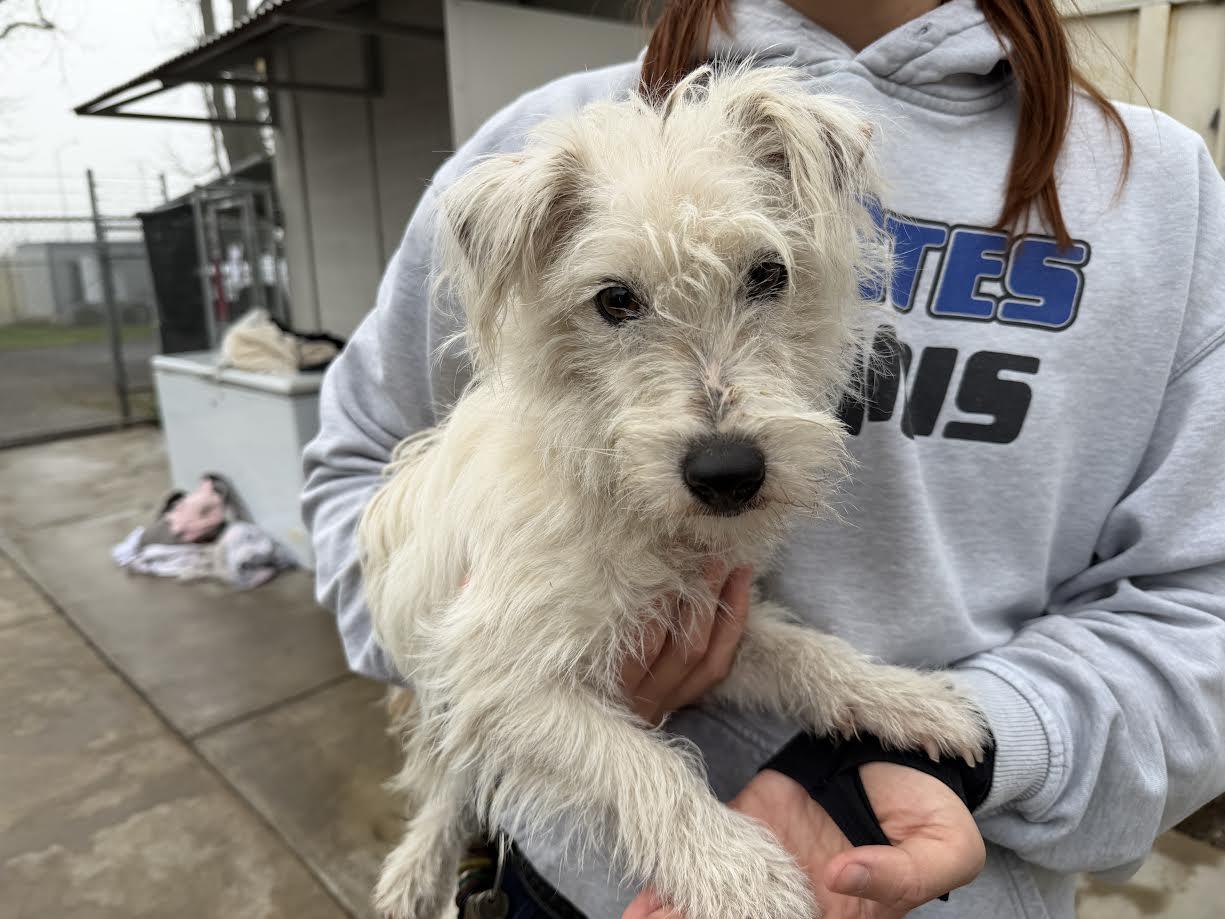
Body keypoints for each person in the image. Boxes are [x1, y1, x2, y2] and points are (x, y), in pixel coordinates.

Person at [301, 0, 1225, 916]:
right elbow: (460, 624)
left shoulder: (1162, 190)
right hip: (566, 887)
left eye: (764, 277)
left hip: (961, 881)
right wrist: (514, 685)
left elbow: (1197, 610)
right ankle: (437, 815)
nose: (716, 408)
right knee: (480, 700)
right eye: (619, 304)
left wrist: (991, 737)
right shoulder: (537, 150)